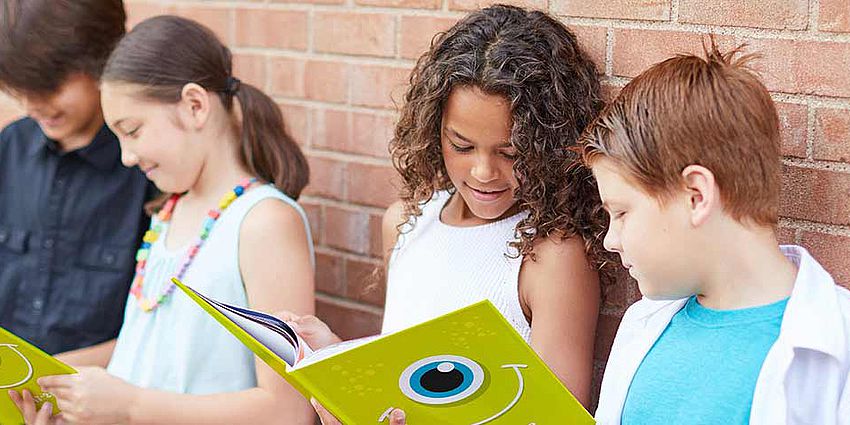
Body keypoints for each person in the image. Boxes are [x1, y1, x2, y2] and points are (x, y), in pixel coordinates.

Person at [287, 5, 609, 422]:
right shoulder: (406, 222)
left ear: (549, 144)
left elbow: (554, 417)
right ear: (432, 127)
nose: (483, 172)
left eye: (511, 153)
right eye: (461, 145)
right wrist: (337, 360)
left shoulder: (552, 255)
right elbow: (411, 375)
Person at [11, 16, 317, 424]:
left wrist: (130, 407)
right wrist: (58, 386)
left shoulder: (265, 223)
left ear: (195, 105)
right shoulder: (169, 212)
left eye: (133, 130)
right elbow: (149, 354)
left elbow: (287, 411)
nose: (126, 157)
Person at [582, 41, 850, 424]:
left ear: (696, 195)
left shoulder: (839, 349)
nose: (611, 239)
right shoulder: (642, 328)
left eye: (622, 212)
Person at [0, 0, 153, 355]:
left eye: (48, 86)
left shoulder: (148, 169)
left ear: (103, 60)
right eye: (19, 89)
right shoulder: (10, 148)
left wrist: (47, 379)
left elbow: (163, 334)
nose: (33, 104)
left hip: (101, 399)